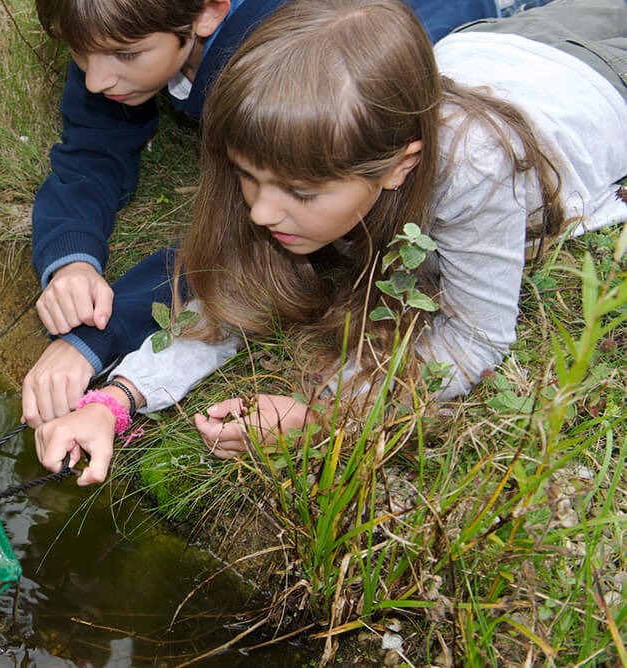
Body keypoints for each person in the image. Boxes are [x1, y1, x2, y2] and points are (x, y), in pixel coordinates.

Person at [32, 0, 627, 485]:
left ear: (399, 167)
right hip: (497, 43)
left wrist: (325, 413)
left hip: (598, 74)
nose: (261, 211)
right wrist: (115, 400)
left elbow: (473, 338)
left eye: (300, 193)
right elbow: (239, 294)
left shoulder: (473, 170)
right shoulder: (313, 149)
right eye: (248, 176)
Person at [23, 0, 510, 428]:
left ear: (210, 12)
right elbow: (230, 261)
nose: (94, 79)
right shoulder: (131, 33)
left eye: (126, 54)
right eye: (79, 51)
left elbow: (230, 257)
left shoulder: (285, 76)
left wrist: (325, 412)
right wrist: (72, 261)